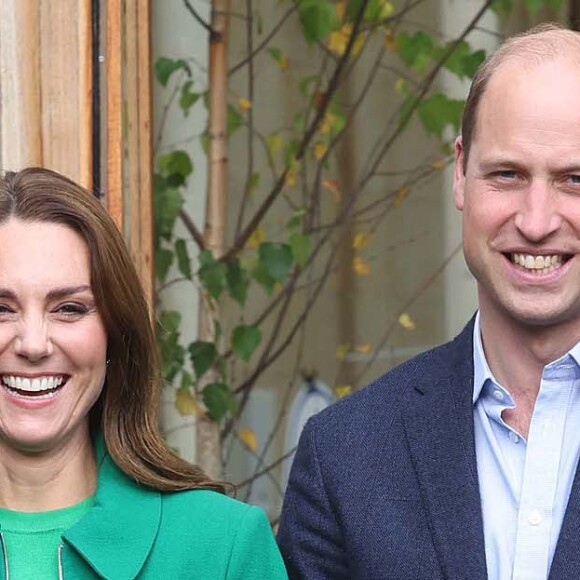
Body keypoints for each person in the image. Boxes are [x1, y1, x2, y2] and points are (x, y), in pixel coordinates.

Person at [278, 23, 580, 580]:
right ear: (461, 171)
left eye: (574, 179)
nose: (537, 221)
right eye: (508, 174)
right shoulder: (346, 456)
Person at [0, 167, 288, 579]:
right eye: (1, 309)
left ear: (116, 333)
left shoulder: (222, 546)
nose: (32, 344)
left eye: (69, 309)